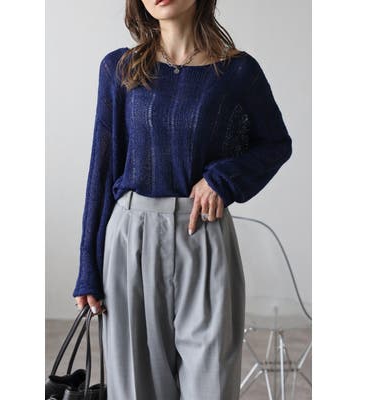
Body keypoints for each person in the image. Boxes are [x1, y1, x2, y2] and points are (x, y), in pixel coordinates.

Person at [72, 0, 292, 398]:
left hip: (203, 237)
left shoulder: (237, 72)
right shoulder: (119, 68)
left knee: (212, 384)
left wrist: (222, 180)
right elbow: (102, 170)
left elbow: (275, 143)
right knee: (136, 389)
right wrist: (88, 264)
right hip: (130, 242)